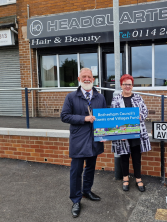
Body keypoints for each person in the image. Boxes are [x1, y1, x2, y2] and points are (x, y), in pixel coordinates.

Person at [61, 68, 107, 218]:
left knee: (91, 168)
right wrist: (84, 118)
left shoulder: (100, 97)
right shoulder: (71, 97)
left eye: (89, 77)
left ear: (93, 79)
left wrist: (107, 132)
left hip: (95, 139)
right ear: (79, 79)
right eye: (84, 76)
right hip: (79, 140)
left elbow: (105, 117)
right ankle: (75, 200)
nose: (87, 79)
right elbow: (65, 116)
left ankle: (87, 191)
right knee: (76, 171)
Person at [111, 74, 151, 192]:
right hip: (122, 133)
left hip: (136, 132)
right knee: (124, 157)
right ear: (121, 85)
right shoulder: (116, 99)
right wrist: (119, 132)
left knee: (136, 156)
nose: (127, 86)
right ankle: (125, 178)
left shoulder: (138, 97)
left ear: (132, 85)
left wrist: (140, 116)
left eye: (129, 84)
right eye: (125, 84)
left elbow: (145, 110)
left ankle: (138, 178)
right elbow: (114, 115)